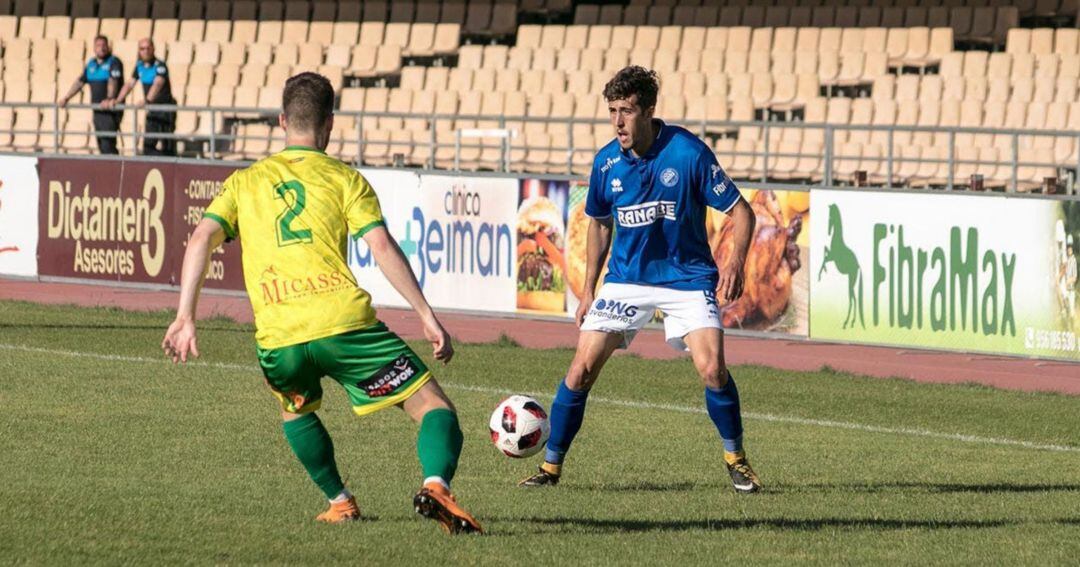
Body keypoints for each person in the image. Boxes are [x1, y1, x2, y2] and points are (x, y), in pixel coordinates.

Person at [161, 73, 482, 534]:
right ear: (330, 123)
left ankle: (340, 501)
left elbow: (200, 239)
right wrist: (426, 316)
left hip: (279, 335)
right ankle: (435, 485)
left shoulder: (244, 182)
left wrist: (185, 316)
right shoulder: (344, 178)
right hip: (344, 326)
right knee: (433, 408)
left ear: (281, 121)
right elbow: (382, 246)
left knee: (295, 408)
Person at [519, 66, 762, 494]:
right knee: (581, 369)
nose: (617, 122)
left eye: (626, 111)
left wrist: (737, 261)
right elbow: (599, 224)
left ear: (648, 112)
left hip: (687, 277)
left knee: (712, 369)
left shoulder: (688, 153)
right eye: (612, 111)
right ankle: (550, 469)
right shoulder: (606, 162)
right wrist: (589, 289)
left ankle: (736, 458)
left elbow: (742, 212)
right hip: (627, 279)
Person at [107, 38, 177, 156]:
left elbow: (158, 83)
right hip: (152, 110)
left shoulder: (160, 65)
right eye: (142, 49)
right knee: (148, 146)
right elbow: (130, 84)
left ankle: (170, 169)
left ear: (153, 49)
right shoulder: (139, 66)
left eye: (148, 48)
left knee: (167, 144)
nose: (146, 51)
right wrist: (118, 100)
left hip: (165, 110)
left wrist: (147, 99)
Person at [59, 35, 124, 155]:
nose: (102, 48)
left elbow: (113, 81)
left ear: (108, 46)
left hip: (109, 110)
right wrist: (67, 97)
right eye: (98, 45)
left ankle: (113, 169)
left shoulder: (114, 62)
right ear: (94, 48)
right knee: (101, 143)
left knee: (107, 143)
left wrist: (109, 98)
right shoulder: (91, 64)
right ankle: (108, 168)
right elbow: (80, 82)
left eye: (104, 45)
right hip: (97, 110)